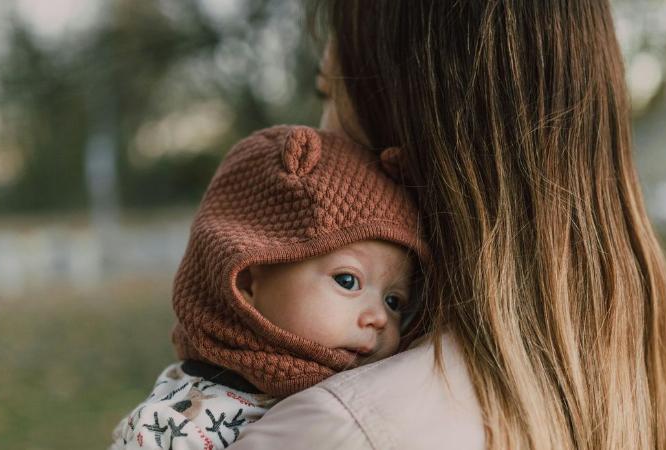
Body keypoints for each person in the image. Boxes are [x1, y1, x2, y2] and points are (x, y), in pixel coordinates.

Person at [224, 1, 666, 449]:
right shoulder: (652, 377)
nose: (318, 131)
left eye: (330, 92)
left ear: (406, 132)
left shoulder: (340, 428)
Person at [110, 125, 429, 449]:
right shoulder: (177, 424)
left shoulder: (375, 397)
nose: (378, 317)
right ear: (247, 279)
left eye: (394, 301)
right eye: (347, 281)